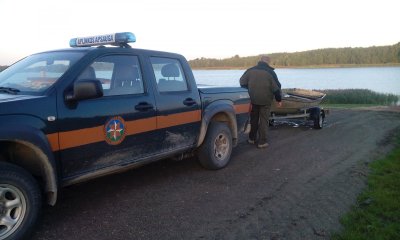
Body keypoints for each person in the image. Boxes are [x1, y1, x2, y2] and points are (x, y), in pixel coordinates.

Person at [240, 56, 282, 148]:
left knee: (254, 119)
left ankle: (252, 139)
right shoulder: (271, 72)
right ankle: (262, 142)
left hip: (252, 99)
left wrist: (249, 90)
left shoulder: (250, 70)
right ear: (268, 62)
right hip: (266, 101)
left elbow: (242, 82)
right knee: (263, 121)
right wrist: (279, 100)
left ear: (260, 61)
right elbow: (277, 88)